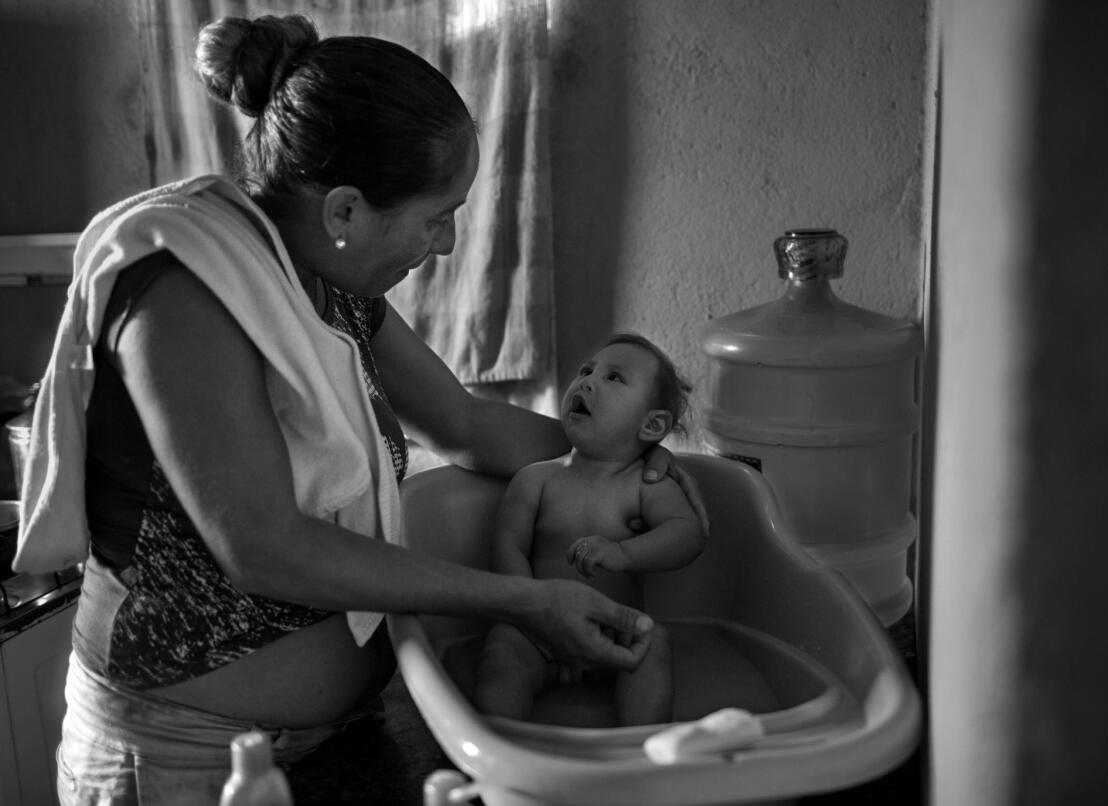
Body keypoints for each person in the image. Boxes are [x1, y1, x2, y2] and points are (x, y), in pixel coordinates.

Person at [23, 15, 701, 805]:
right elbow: (265, 548)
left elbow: (468, 424)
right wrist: (523, 600)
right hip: (186, 758)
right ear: (343, 211)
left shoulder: (328, 280)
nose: (446, 243)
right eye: (435, 214)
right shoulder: (185, 291)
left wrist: (628, 462)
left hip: (337, 733)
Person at [474, 333, 705, 727]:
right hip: (537, 632)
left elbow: (687, 534)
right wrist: (530, 610)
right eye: (587, 370)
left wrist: (624, 553)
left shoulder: (646, 484)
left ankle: (639, 750)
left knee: (652, 645)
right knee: (502, 650)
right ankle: (504, 745)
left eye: (614, 378)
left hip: (617, 632)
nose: (588, 380)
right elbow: (507, 546)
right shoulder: (536, 479)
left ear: (651, 425)